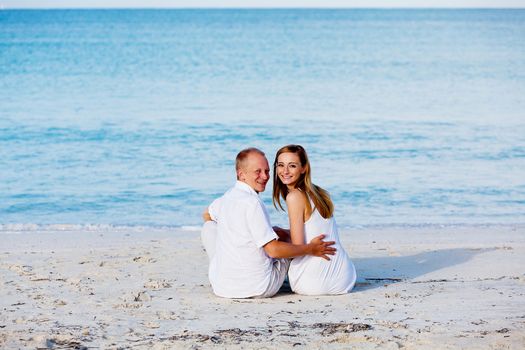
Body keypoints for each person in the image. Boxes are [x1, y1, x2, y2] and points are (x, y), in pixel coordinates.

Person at [201, 147, 336, 299]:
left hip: (222, 287)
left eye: (267, 171)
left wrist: (236, 235)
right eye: (257, 171)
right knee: (284, 242)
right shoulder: (253, 203)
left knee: (209, 227)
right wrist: (310, 249)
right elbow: (273, 251)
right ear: (241, 174)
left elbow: (207, 215)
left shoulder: (227, 197)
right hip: (259, 287)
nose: (265, 176)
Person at [272, 144, 357, 295]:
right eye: (280, 165)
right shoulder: (319, 192)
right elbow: (314, 228)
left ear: (303, 168)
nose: (284, 171)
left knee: (271, 245)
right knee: (279, 232)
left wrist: (275, 242)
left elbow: (297, 248)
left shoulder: (294, 197)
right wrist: (283, 232)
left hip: (313, 283)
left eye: (292, 166)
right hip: (345, 277)